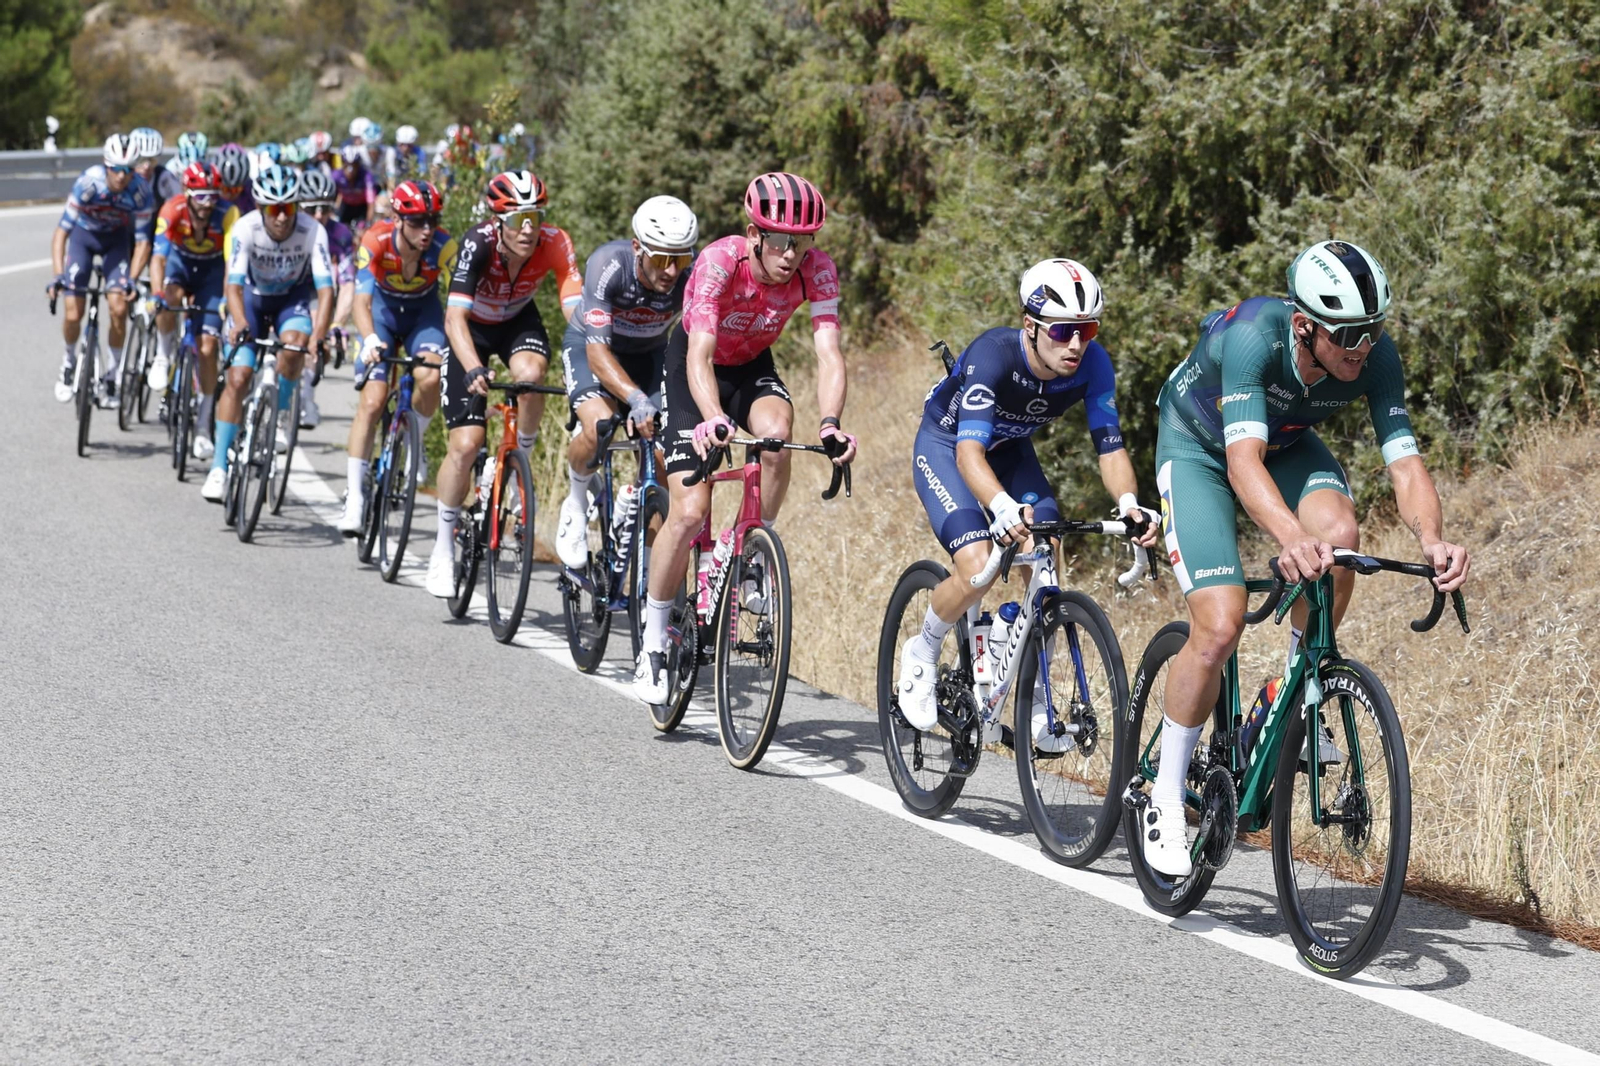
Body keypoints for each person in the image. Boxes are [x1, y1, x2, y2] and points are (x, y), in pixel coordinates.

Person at [1137, 239, 1472, 878]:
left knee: (1340, 536)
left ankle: (1297, 686)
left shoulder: (1374, 359)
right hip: (1199, 447)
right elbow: (1241, 463)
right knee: (1219, 624)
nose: (1362, 347)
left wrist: (1433, 541)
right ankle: (1164, 794)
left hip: (1285, 444)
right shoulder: (1252, 338)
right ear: (1303, 327)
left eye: (1372, 331)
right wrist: (1290, 537)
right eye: (1347, 334)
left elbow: (1404, 464)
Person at [897, 258, 1161, 750]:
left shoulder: (1094, 364)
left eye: (1087, 329)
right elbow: (968, 453)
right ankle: (924, 648)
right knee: (978, 565)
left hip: (1010, 449)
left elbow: (1110, 446)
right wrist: (998, 506)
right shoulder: (992, 356)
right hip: (949, 446)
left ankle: (1032, 686)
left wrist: (1129, 503)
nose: (1077, 344)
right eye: (1063, 330)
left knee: (1048, 549)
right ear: (1031, 324)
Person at [631, 172, 858, 704]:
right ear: (754, 234)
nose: (790, 254)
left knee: (778, 435)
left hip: (753, 363)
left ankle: (750, 552)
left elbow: (829, 354)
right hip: (694, 367)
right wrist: (711, 417)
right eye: (779, 241)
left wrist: (831, 422)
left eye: (801, 243)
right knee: (688, 513)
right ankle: (654, 641)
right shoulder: (718, 262)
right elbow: (698, 355)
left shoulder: (817, 271)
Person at [424, 169, 583, 596]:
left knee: (531, 376)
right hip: (471, 329)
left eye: (536, 216)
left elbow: (576, 309)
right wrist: (474, 367)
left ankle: (519, 464)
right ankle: (442, 548)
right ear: (498, 222)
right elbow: (454, 317)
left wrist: (591, 358)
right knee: (465, 444)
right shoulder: (477, 243)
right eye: (517, 219)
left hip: (516, 322)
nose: (528, 229)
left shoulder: (555, 242)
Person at [552, 195, 698, 570]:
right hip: (593, 348)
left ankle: (648, 567)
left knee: (666, 454)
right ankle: (576, 501)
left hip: (649, 355)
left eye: (680, 258)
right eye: (661, 258)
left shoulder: (690, 275)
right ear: (637, 248)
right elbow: (599, 355)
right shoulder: (609, 265)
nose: (670, 270)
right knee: (599, 426)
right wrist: (634, 398)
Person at [201, 164, 332, 502]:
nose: (282, 217)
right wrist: (240, 322)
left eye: (288, 208)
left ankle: (281, 410)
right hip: (252, 301)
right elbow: (232, 285)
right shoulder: (245, 228)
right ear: (260, 208)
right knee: (239, 376)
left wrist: (320, 334)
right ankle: (218, 469)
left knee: (294, 347)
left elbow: (326, 290)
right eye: (274, 209)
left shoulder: (313, 230)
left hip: (291, 300)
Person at [335, 180, 456, 534]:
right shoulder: (375, 240)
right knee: (372, 403)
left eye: (432, 219)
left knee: (431, 375)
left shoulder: (443, 246)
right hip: (382, 319)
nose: (427, 229)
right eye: (417, 221)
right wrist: (370, 338)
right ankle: (355, 498)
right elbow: (361, 301)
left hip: (424, 317)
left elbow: (460, 298)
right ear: (398, 219)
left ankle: (414, 441)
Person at [47, 133, 156, 407]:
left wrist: (131, 279)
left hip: (115, 243)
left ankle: (112, 374)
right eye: (116, 169)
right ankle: (69, 361)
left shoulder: (141, 191)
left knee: (119, 308)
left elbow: (143, 242)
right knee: (74, 311)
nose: (121, 176)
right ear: (106, 165)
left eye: (128, 170)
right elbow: (61, 233)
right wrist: (58, 275)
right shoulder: (88, 182)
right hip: (84, 239)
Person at [147, 161, 241, 459]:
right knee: (167, 298)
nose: (207, 203)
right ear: (186, 193)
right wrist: (156, 294)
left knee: (209, 346)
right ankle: (163, 355)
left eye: (213, 195)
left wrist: (228, 298)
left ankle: (203, 425)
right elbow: (158, 259)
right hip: (180, 266)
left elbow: (232, 263)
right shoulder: (171, 209)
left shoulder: (228, 213)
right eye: (200, 196)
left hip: (213, 275)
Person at [295, 168, 356, 430]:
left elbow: (348, 283)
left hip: (320, 295)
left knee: (320, 345)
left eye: (325, 209)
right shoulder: (291, 228)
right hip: (291, 290)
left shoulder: (340, 234)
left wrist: (338, 323)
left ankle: (307, 398)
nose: (319, 216)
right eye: (311, 209)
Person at [332, 150, 379, 232]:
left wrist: (368, 223)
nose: (351, 170)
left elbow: (371, 202)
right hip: (346, 206)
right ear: (343, 165)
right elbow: (331, 196)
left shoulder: (366, 176)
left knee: (361, 231)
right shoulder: (336, 176)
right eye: (347, 166)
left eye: (354, 166)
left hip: (362, 207)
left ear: (358, 166)